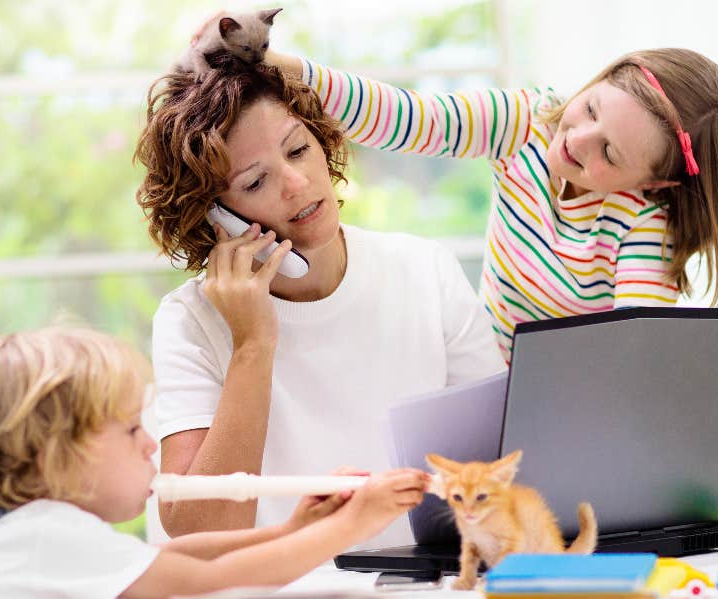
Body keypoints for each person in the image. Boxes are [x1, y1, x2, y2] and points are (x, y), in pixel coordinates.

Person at [132, 57, 505, 545]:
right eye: (255, 182)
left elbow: (504, 464)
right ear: (213, 218)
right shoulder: (190, 321)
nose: (296, 182)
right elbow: (199, 533)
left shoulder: (424, 270)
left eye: (297, 149)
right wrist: (252, 344)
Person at [259, 46, 718, 359]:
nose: (577, 139)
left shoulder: (643, 223)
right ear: (599, 78)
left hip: (563, 405)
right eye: (591, 109)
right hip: (478, 371)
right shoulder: (527, 122)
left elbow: (633, 354)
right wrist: (289, 68)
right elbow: (409, 119)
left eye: (609, 152)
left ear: (654, 183)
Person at [0, 327, 430, 598]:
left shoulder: (23, 533)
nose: (150, 443)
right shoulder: (41, 537)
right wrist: (354, 526)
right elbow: (212, 586)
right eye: (129, 429)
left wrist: (293, 529)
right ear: (54, 455)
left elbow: (178, 560)